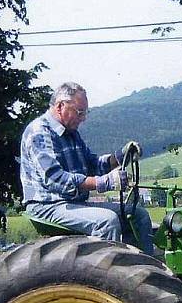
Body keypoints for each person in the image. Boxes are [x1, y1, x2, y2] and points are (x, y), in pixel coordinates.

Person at [20, 81, 153, 254]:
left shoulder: (71, 133)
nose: (83, 118)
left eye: (85, 112)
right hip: (47, 204)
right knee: (106, 221)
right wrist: (103, 182)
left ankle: (145, 269)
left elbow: (93, 165)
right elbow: (54, 178)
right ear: (61, 106)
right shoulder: (39, 132)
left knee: (138, 214)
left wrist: (121, 156)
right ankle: (108, 276)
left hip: (72, 202)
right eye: (80, 112)